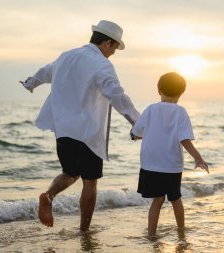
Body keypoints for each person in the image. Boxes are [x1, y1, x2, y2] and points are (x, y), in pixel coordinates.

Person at [19, 20, 140, 232]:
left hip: (63, 130)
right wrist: (138, 124)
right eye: (114, 48)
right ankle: (84, 231)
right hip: (87, 132)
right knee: (90, 181)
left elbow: (45, 72)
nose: (113, 53)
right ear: (107, 43)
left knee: (71, 172)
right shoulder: (102, 64)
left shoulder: (67, 56)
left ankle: (48, 196)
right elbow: (117, 95)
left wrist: (30, 83)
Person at [131, 72, 209, 238]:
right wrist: (198, 157)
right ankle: (181, 232)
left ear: (159, 90)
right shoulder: (180, 112)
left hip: (150, 164)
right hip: (171, 166)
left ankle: (151, 234)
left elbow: (137, 132)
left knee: (157, 200)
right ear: (181, 93)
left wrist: (136, 135)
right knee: (175, 199)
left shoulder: (150, 109)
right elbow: (185, 139)